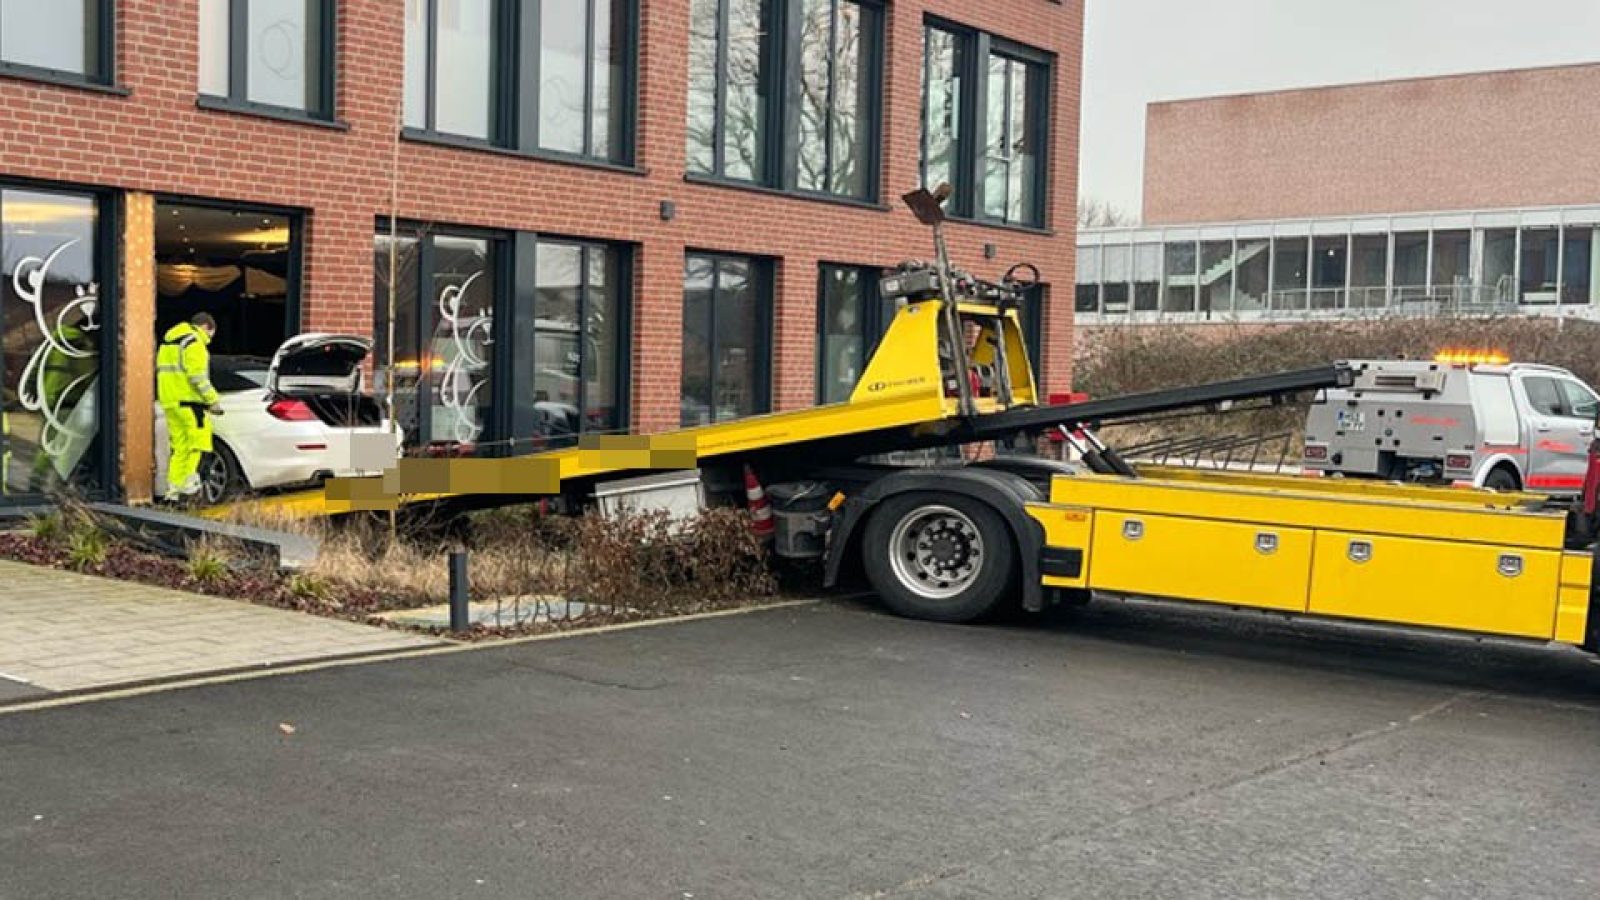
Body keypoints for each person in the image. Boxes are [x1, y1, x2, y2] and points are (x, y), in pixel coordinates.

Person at [156, 313, 222, 503]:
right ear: (206, 327)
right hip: (191, 404)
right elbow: (197, 377)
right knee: (196, 445)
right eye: (210, 335)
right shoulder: (194, 343)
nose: (209, 340)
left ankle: (172, 491)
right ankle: (187, 486)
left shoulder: (168, 343)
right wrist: (212, 400)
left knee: (180, 448)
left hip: (170, 402)